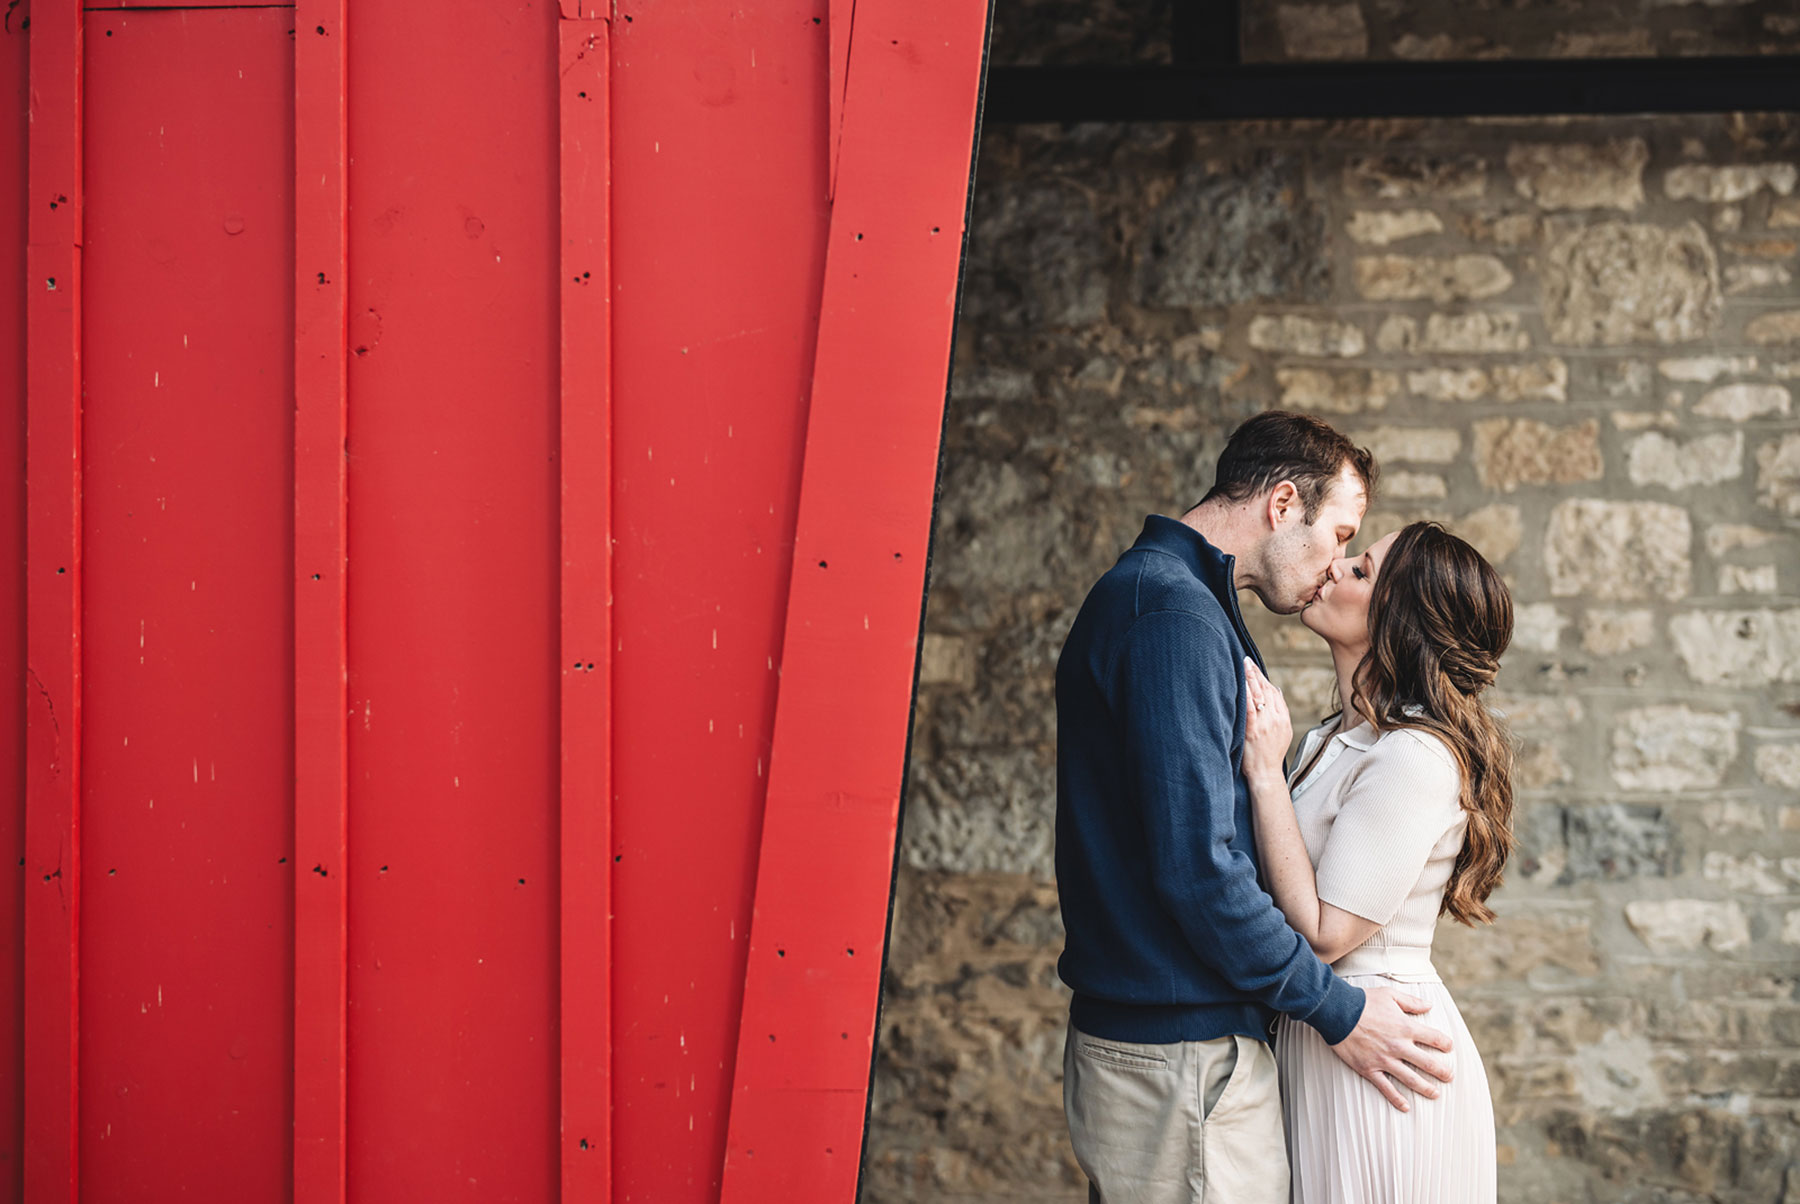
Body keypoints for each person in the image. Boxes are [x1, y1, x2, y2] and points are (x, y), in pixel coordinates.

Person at [1055, 411, 1455, 1204]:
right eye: (1339, 534)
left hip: (1188, 1054)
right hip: (1180, 1060)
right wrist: (1337, 1009)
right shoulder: (1170, 613)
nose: (1335, 563)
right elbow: (1199, 869)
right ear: (1281, 505)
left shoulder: (1181, 604)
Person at [1240, 521, 1513, 1203]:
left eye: (1360, 570)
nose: (1332, 568)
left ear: (1401, 623)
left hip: (1384, 1053)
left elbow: (1328, 933)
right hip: (1332, 1036)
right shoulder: (1333, 739)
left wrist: (1266, 777)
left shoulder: (1413, 756)